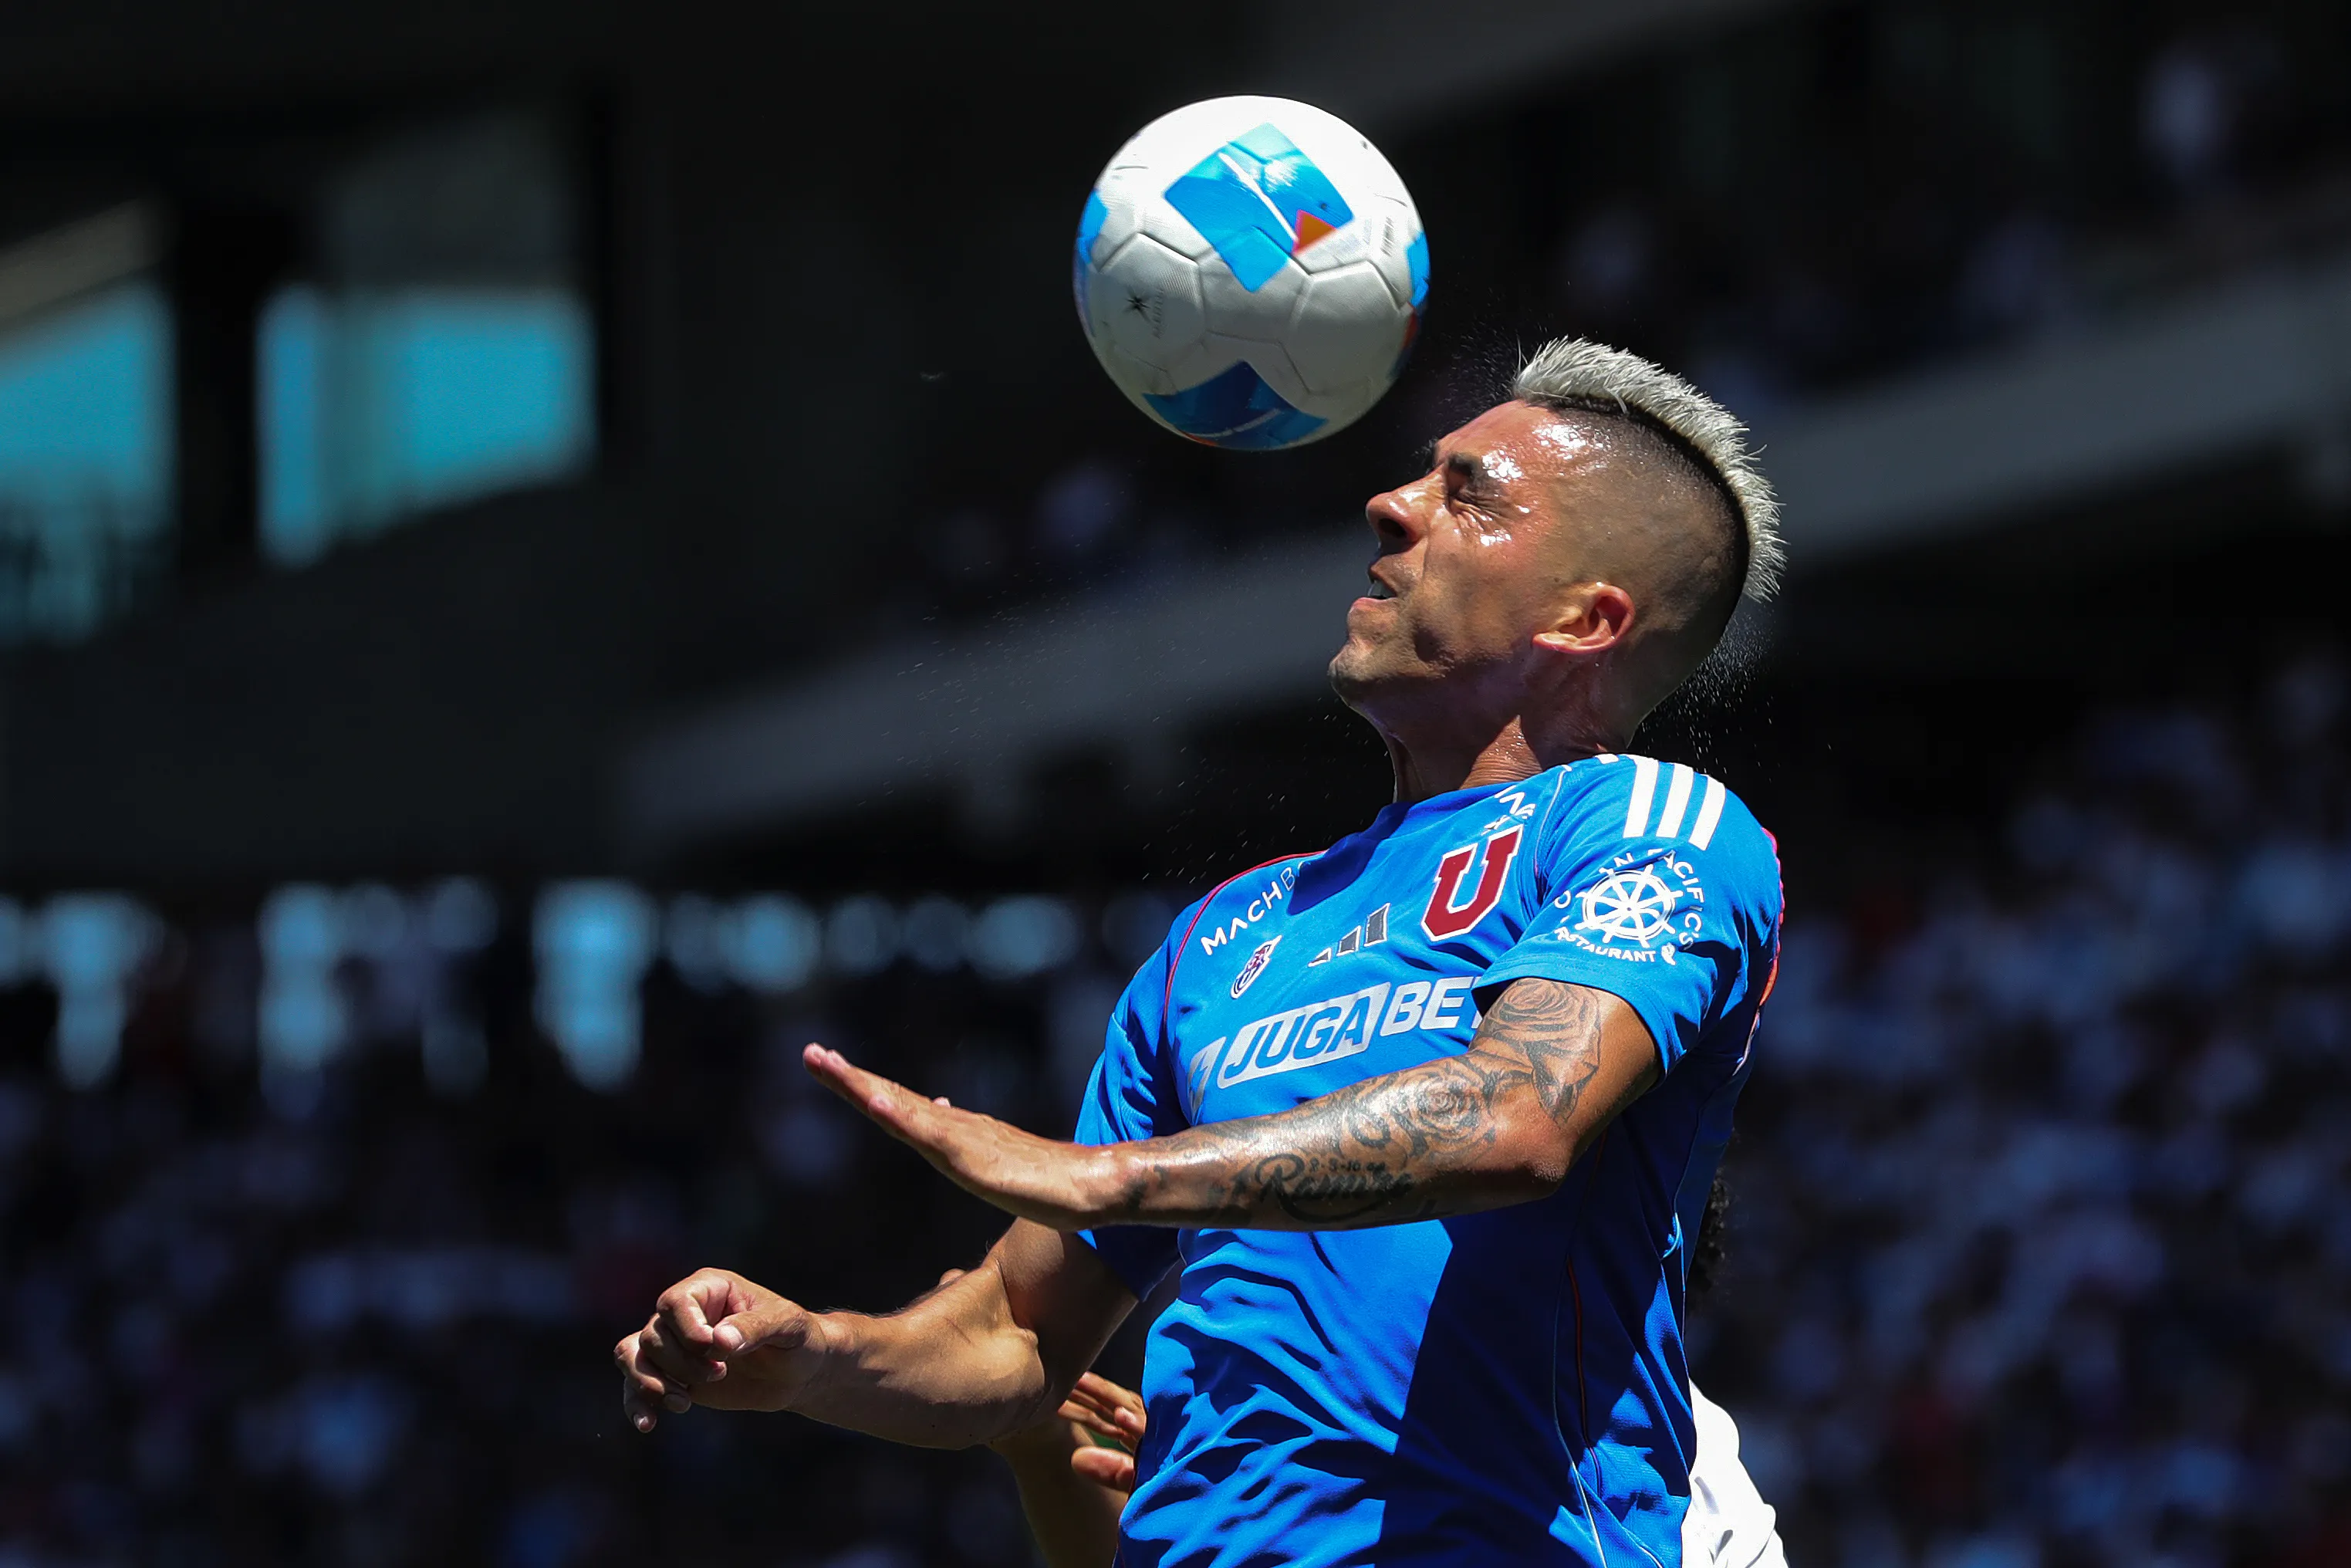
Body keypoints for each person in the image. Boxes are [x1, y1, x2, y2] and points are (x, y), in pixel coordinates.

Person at [616, 336, 1788, 1566]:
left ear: (1584, 617)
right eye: (1418, 479)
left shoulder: (1647, 823)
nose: (1390, 505)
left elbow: (1519, 1117)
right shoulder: (1223, 935)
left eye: (1468, 496)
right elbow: (1014, 1340)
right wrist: (814, 1357)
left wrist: (1111, 1178)